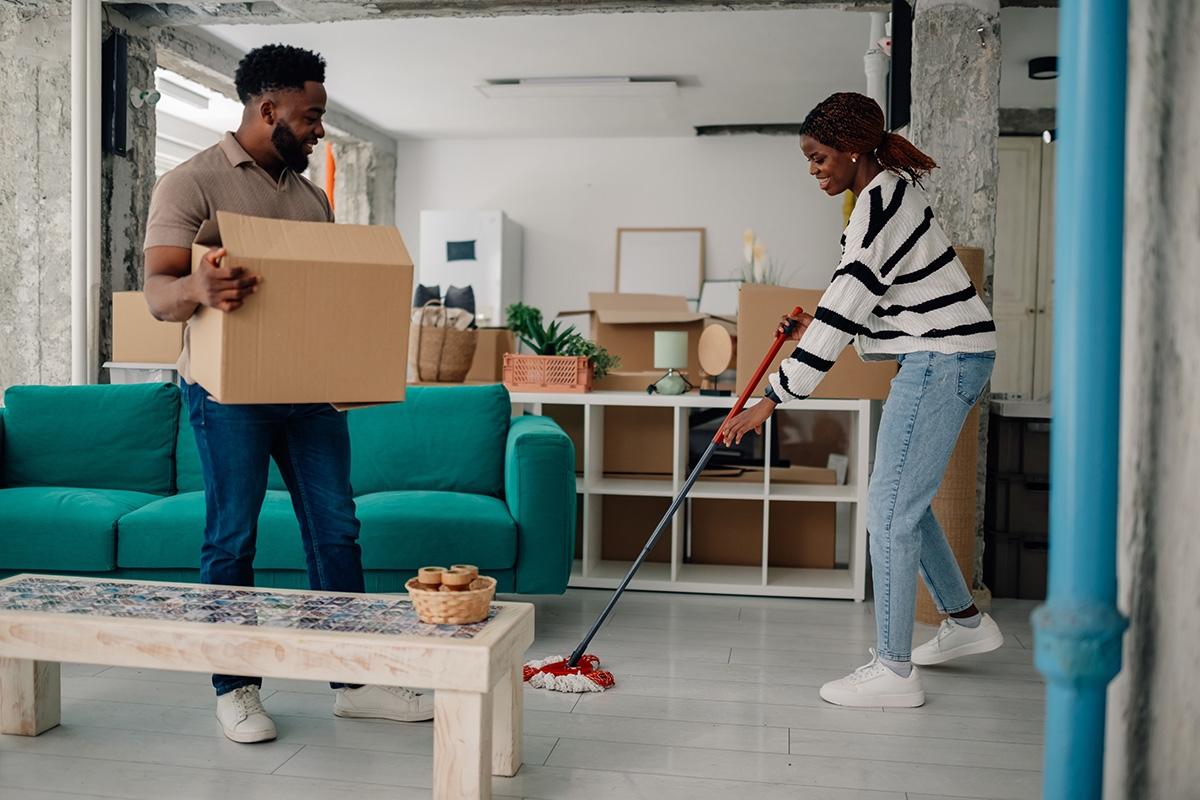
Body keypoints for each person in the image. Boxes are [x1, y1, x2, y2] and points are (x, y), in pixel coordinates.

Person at [142, 44, 433, 743]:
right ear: (266, 108)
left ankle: (354, 679)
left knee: (337, 531)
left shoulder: (311, 199)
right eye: (310, 117)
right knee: (230, 539)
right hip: (228, 397)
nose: (319, 130)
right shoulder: (191, 183)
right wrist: (197, 288)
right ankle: (234, 688)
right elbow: (158, 296)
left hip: (309, 396)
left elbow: (319, 306)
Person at [721, 92, 1005, 709]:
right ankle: (964, 622)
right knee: (904, 500)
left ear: (853, 152)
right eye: (809, 159)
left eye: (819, 158)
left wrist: (773, 397)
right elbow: (879, 304)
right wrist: (816, 329)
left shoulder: (879, 207)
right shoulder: (885, 195)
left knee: (890, 508)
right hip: (946, 352)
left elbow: (848, 303)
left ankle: (895, 671)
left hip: (943, 358)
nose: (814, 170)